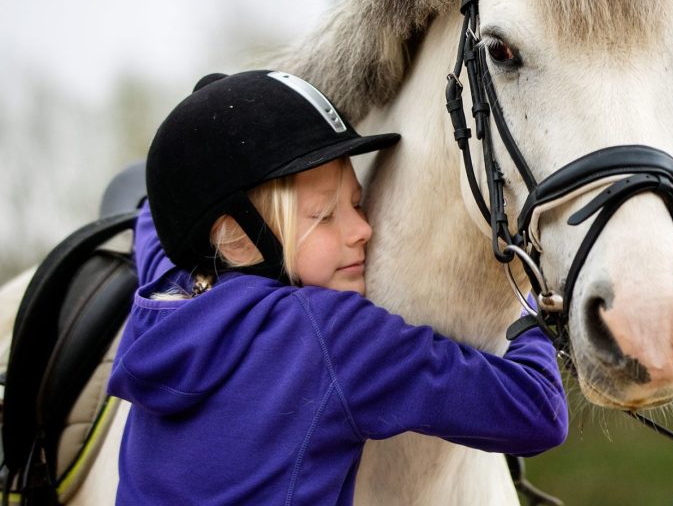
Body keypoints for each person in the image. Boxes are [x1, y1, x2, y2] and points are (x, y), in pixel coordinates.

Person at [108, 70, 568, 505]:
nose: (361, 230)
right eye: (324, 216)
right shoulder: (331, 336)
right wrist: (528, 307)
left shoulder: (161, 304)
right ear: (238, 239)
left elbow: (152, 232)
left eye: (355, 203)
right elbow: (537, 413)